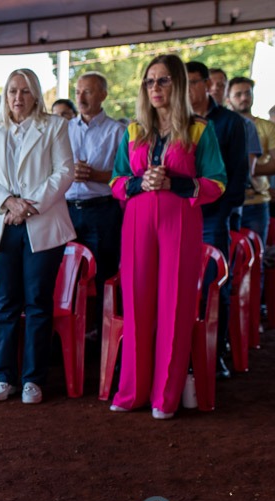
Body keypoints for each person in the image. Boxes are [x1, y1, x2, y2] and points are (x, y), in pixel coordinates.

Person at [109, 54, 226, 419]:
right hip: (137, 221)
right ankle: (131, 392)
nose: (155, 88)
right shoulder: (133, 131)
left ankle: (166, 396)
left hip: (180, 219)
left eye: (162, 81)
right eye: (149, 81)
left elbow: (218, 182)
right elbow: (114, 181)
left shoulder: (199, 130)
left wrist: (176, 183)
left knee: (174, 306)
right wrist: (137, 182)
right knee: (137, 304)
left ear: (176, 85)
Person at [0, 69, 76, 405]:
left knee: (38, 302)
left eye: (25, 91)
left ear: (36, 95)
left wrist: (29, 205)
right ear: (6, 95)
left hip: (43, 223)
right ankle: (3, 377)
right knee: (4, 303)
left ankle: (33, 379)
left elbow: (64, 172)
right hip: (2, 223)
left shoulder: (55, 126)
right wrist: (8, 203)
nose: (18, 98)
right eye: (13, 91)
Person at [186, 61, 248, 380]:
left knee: (213, 285)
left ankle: (216, 350)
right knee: (182, 287)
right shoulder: (175, 121)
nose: (185, 88)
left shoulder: (229, 122)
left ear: (206, 84)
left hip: (213, 216)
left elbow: (239, 173)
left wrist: (222, 211)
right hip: (180, 215)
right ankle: (184, 353)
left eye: (191, 82)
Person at [65, 72, 125, 335]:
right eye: (78, 91)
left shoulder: (118, 131)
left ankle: (105, 335)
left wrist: (95, 175)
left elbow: (127, 175)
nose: (81, 97)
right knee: (66, 276)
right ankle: (67, 333)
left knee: (104, 275)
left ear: (103, 94)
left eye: (88, 91)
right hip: (66, 210)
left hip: (102, 210)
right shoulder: (63, 129)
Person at [227, 76, 275, 247]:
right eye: (238, 94)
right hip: (228, 202)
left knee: (258, 257)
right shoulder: (221, 125)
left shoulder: (269, 127)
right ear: (228, 99)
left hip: (256, 202)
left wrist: (247, 170)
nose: (244, 98)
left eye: (247, 93)